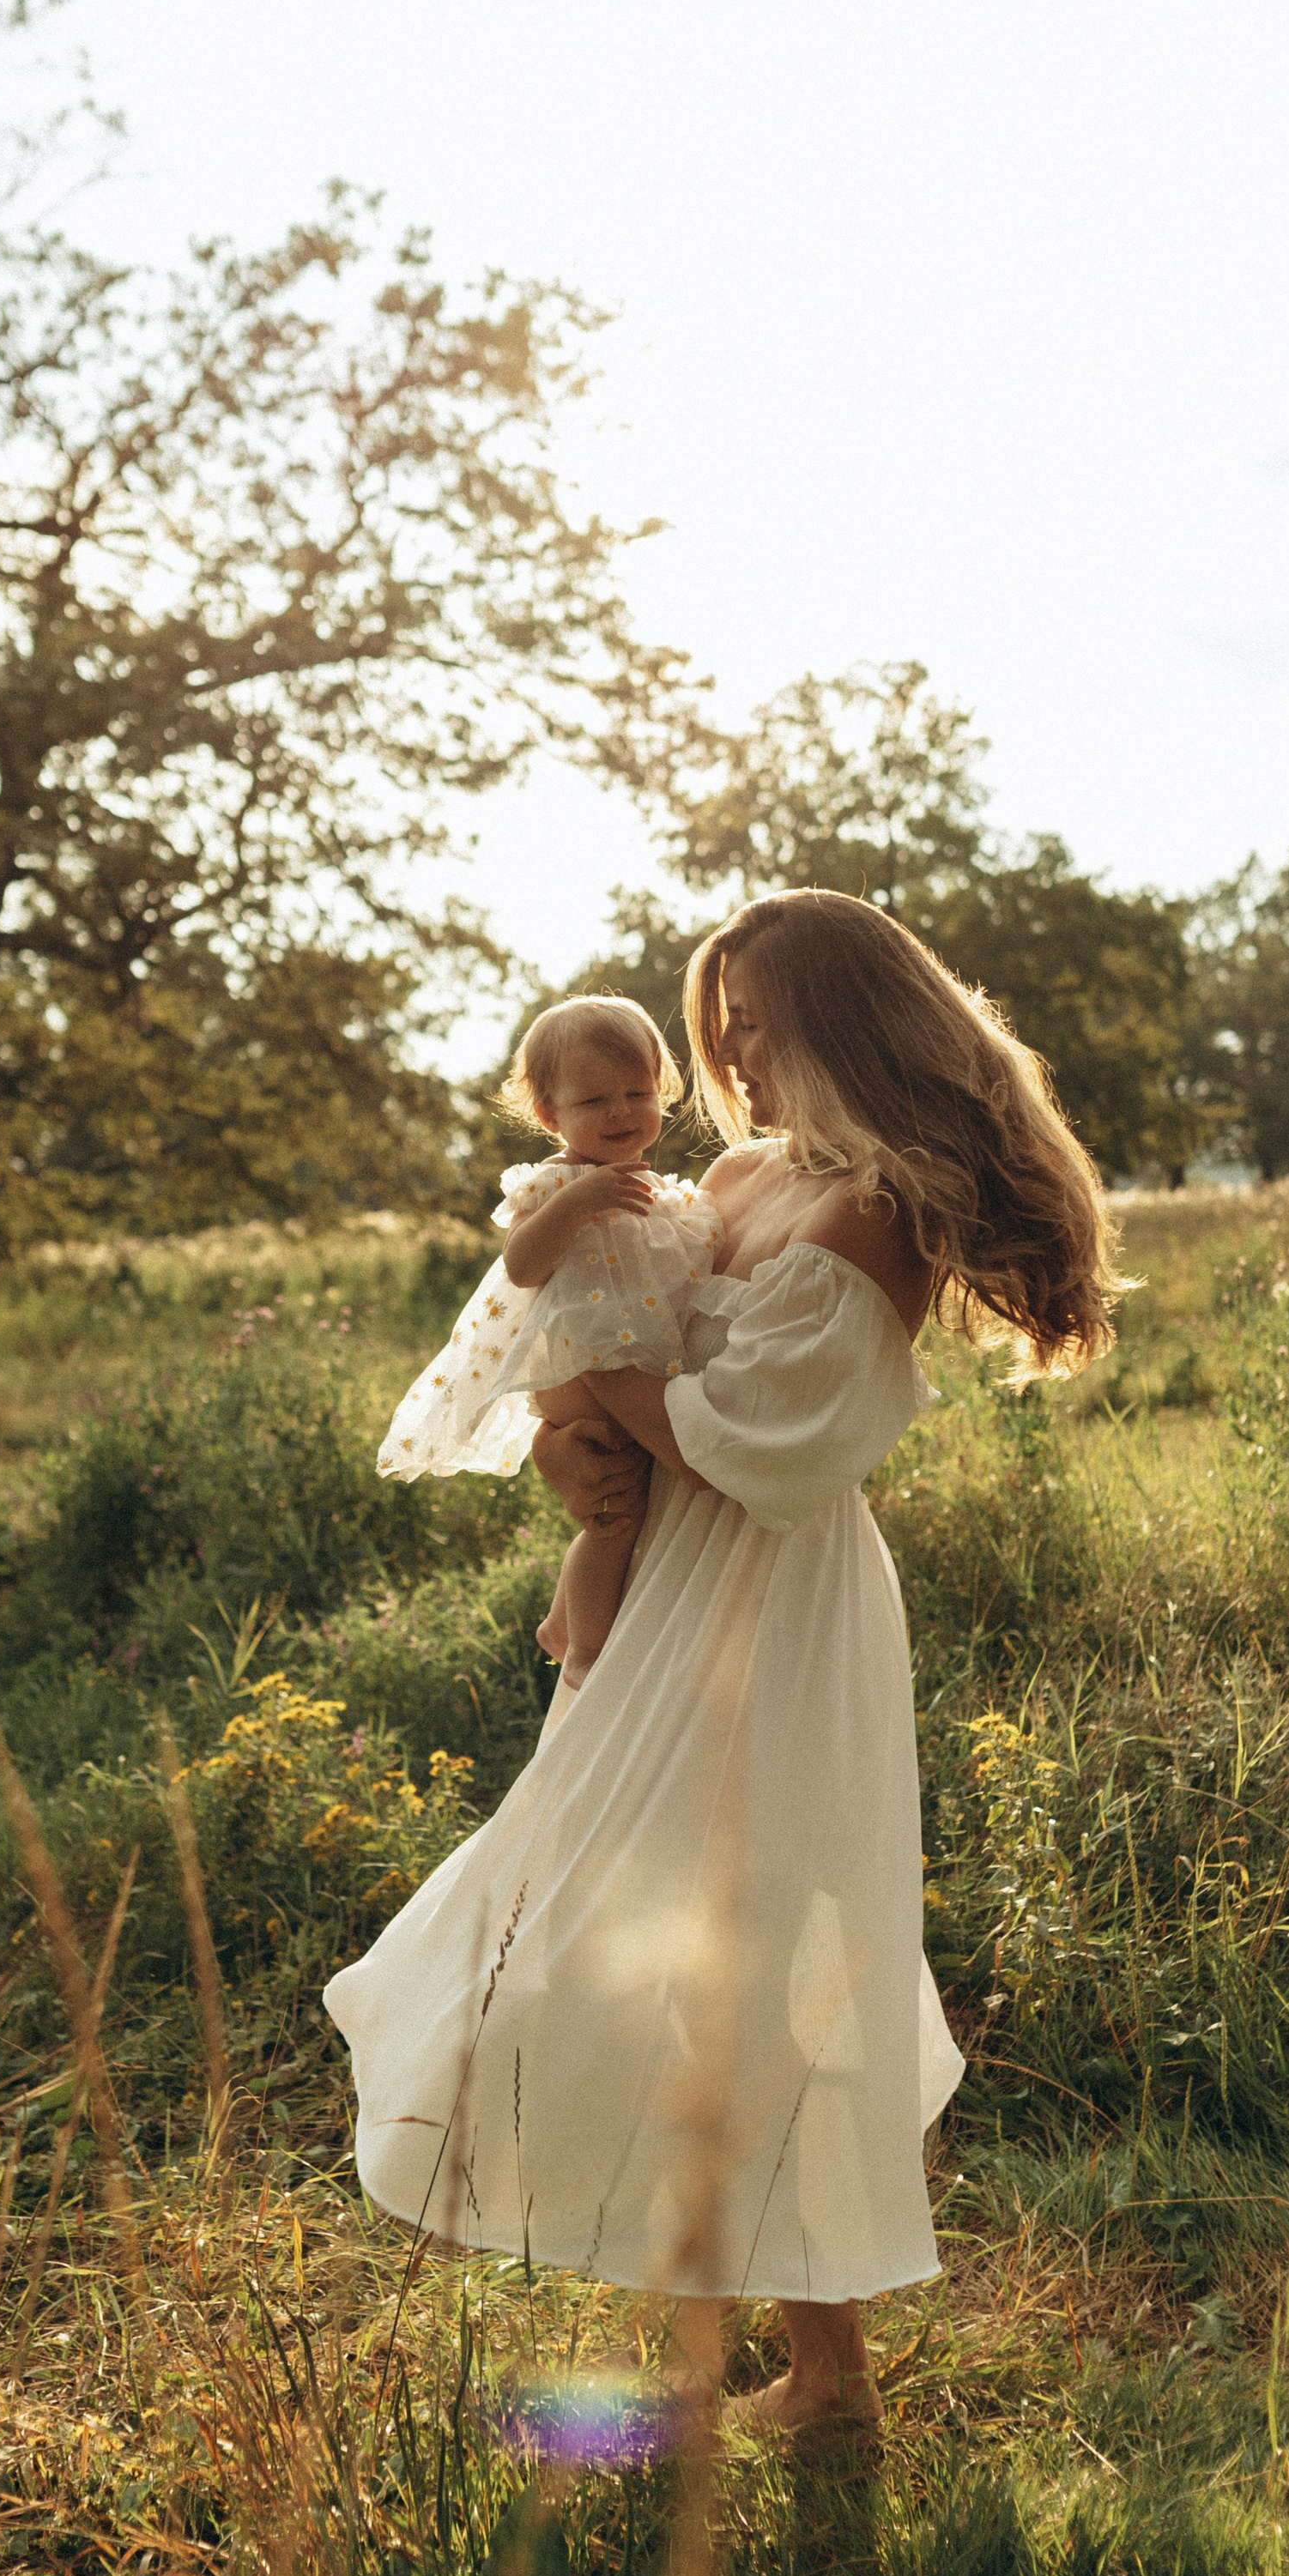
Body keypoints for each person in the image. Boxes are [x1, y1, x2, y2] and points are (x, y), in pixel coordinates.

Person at [327, 890, 1120, 2437]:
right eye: (721, 1028)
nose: (734, 1058)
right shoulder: (741, 1177)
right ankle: (705, 2350)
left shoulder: (876, 1216)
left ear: (843, 1022)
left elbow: (763, 1444)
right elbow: (602, 1332)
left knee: (770, 1960)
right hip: (670, 1582)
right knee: (642, 1945)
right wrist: (562, 1444)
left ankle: (827, 2386)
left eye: (758, 1025)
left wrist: (605, 1386)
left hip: (779, 1600)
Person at [377, 996, 719, 1689]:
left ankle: (564, 1619)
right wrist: (573, 1204)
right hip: (575, 1370)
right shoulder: (555, 1184)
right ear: (548, 1114)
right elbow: (522, 1266)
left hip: (627, 1363)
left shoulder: (655, 1189)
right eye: (594, 1100)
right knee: (615, 1516)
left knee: (632, 1505)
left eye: (638, 1093)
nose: (621, 1112)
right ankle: (583, 1648)